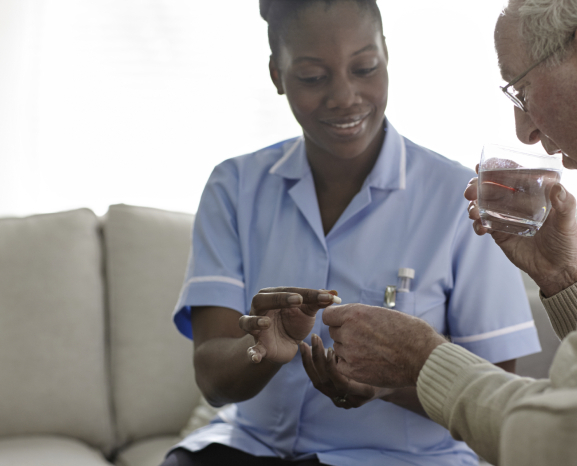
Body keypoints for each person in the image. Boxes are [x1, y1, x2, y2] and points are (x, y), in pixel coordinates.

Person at [161, 1, 541, 465]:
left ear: (386, 55)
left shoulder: (459, 198)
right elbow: (214, 381)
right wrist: (261, 347)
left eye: (364, 68)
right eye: (313, 77)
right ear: (277, 76)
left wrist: (389, 383)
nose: (345, 96)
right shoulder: (234, 187)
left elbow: (492, 400)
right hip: (247, 450)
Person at [321, 0, 577, 464]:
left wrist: (422, 360)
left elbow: (574, 436)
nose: (526, 133)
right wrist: (565, 276)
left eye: (521, 92)